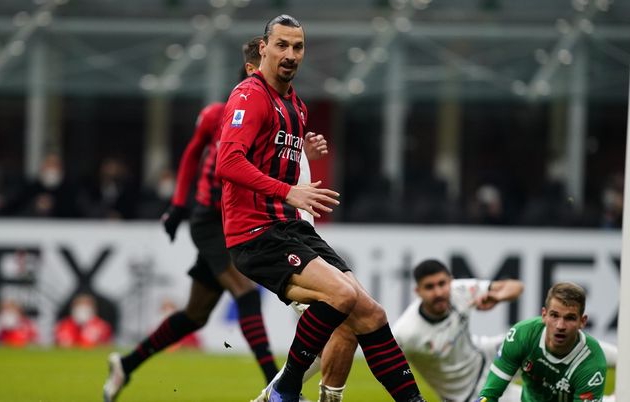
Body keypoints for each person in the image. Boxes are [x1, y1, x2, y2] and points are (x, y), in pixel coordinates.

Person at [216, 15, 424, 402]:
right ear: (263, 48)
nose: (290, 54)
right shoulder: (249, 94)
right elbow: (227, 163)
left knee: (371, 314)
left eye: (298, 47)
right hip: (257, 235)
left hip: (291, 229)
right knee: (341, 297)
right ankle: (286, 388)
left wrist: (300, 155)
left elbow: (271, 158)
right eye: (281, 45)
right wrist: (288, 192)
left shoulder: (295, 105)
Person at [102, 37, 284, 402]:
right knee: (246, 293)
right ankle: (277, 389)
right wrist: (178, 206)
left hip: (238, 220)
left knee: (195, 314)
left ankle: (126, 365)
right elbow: (191, 153)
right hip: (209, 221)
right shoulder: (220, 114)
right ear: (250, 72)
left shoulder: (273, 117)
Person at [392, 259, 524, 401]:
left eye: (442, 284)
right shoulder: (406, 332)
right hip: (465, 395)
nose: (438, 293)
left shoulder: (460, 290)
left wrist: (498, 296)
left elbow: (516, 287)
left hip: (486, 356)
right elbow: (388, 367)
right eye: (429, 287)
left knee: (530, 340)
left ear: (450, 281)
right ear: (418, 291)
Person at [477, 282, 610, 402]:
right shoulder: (522, 335)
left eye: (570, 318)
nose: (560, 326)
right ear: (544, 315)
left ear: (582, 321)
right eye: (554, 315)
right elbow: (489, 394)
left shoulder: (592, 365)